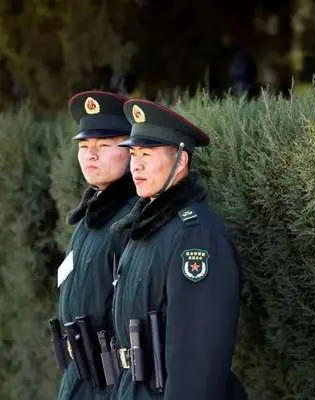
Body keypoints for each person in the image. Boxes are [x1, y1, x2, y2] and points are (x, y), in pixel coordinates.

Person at [110, 99, 246, 399]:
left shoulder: (195, 236)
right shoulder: (147, 227)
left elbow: (198, 362)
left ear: (181, 161)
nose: (136, 165)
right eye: (133, 154)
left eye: (147, 154)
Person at [51, 90, 137, 399]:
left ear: (130, 150)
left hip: (114, 383)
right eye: (84, 146)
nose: (91, 155)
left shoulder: (132, 218)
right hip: (79, 379)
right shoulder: (87, 220)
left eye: (103, 145)